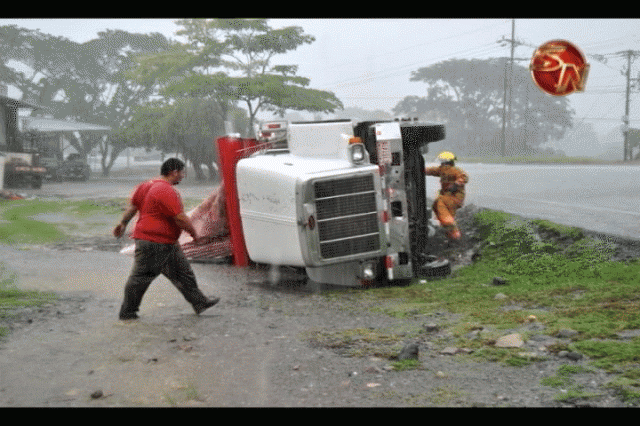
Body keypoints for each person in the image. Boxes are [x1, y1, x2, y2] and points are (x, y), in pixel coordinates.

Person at [113, 158, 220, 320]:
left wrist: (122, 223)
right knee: (140, 277)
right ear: (174, 172)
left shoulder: (146, 186)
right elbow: (180, 218)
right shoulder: (166, 191)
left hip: (164, 242)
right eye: (182, 173)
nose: (183, 176)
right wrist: (195, 234)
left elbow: (133, 208)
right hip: (155, 242)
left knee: (184, 273)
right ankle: (127, 312)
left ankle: (199, 302)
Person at [424, 151, 469, 240]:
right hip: (450, 198)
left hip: (455, 198)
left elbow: (464, 177)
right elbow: (431, 170)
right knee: (441, 209)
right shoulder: (443, 170)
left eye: (442, 162)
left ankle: (453, 231)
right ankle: (452, 236)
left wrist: (456, 184)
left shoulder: (454, 170)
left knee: (439, 202)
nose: (441, 164)